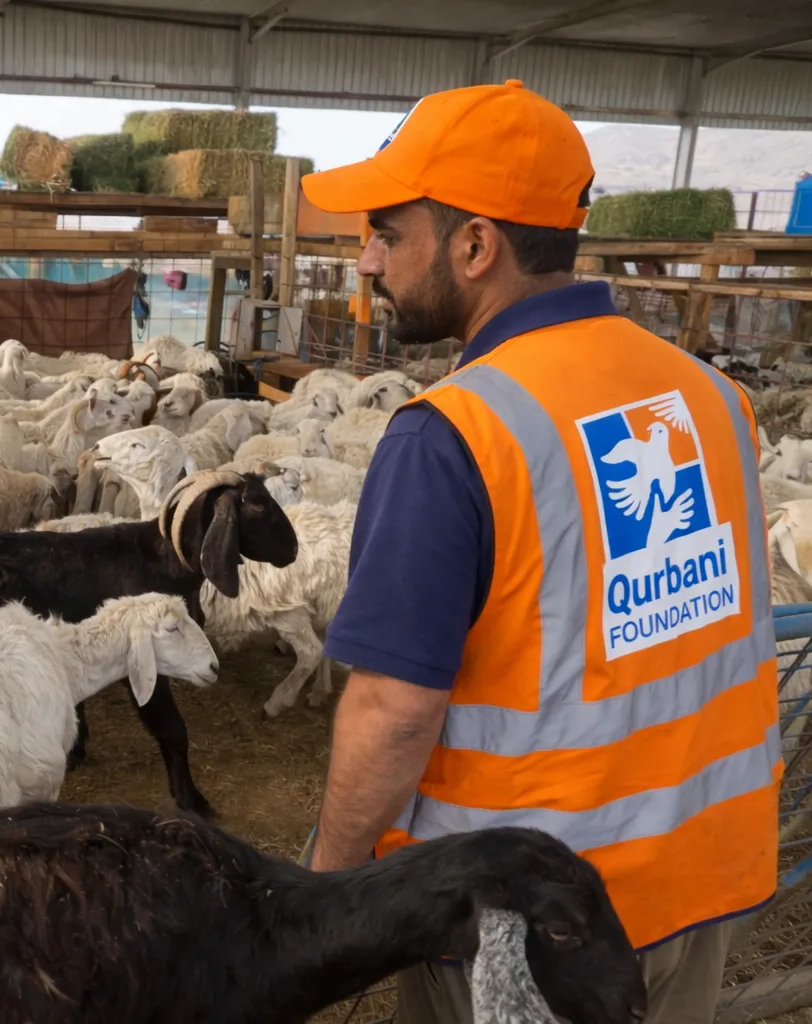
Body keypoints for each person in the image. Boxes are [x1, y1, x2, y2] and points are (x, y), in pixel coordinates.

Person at [301, 80, 778, 1023]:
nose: (365, 260)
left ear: (477, 245)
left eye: (389, 233)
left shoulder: (453, 436)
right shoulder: (706, 398)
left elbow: (395, 708)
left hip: (524, 927)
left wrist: (324, 897)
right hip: (692, 890)